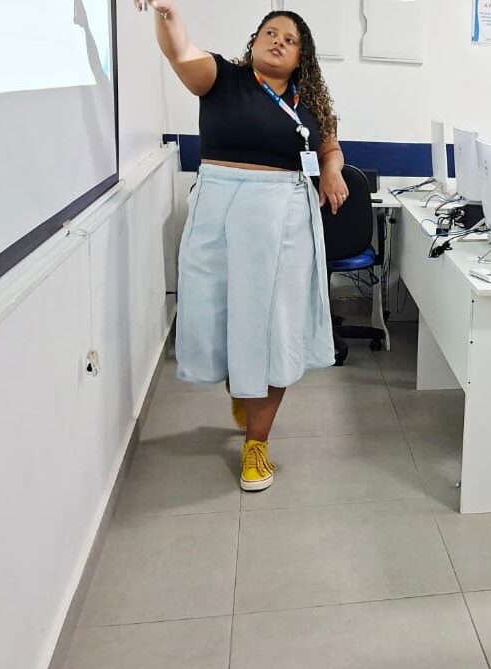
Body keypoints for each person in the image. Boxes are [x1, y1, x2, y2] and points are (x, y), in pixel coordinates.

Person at [136, 1, 349, 491]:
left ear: (301, 58)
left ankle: (257, 441)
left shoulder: (309, 101)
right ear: (254, 41)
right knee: (225, 318)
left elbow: (329, 145)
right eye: (270, 33)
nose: (278, 41)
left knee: (276, 330)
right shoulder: (222, 77)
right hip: (222, 212)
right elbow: (179, 50)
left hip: (286, 219)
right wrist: (166, 13)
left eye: (290, 39)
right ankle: (242, 387)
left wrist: (332, 168)